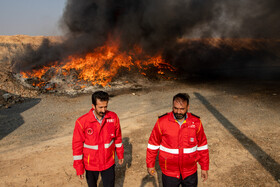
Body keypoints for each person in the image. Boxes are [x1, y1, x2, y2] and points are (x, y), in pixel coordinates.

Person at [146, 93, 209, 187]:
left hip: (190, 172)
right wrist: (150, 164)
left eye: (182, 109)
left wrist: (204, 167)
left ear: (188, 107)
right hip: (169, 172)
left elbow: (202, 146)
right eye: (175, 108)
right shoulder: (162, 122)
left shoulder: (196, 122)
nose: (178, 112)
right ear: (172, 106)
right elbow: (153, 145)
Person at [72, 91, 124, 187]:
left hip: (108, 162)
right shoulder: (82, 122)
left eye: (105, 106)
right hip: (91, 164)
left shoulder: (113, 117)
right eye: (100, 107)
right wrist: (79, 168)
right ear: (93, 106)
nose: (103, 110)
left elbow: (118, 138)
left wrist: (120, 154)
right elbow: (77, 147)